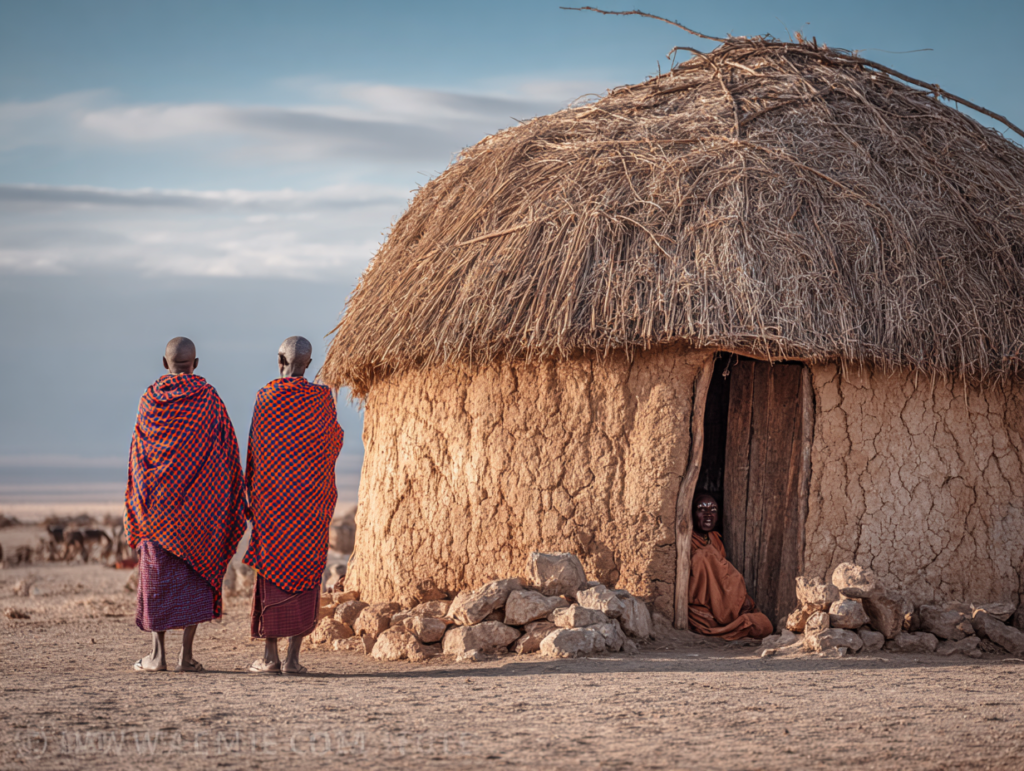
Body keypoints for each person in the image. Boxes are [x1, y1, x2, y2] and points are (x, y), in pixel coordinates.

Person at [125, 337, 248, 672]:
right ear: (196, 362)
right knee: (197, 576)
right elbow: (227, 451)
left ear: (165, 364)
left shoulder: (149, 400)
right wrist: (223, 497)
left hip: (157, 512)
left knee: (157, 580)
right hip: (200, 510)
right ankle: (186, 656)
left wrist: (140, 502)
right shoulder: (209, 400)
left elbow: (138, 457)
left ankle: (157, 656)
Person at [245, 336, 344, 675]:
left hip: (273, 505)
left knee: (272, 570)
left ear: (279, 360)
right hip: (309, 507)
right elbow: (333, 441)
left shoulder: (266, 397)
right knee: (307, 571)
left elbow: (256, 451)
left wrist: (255, 493)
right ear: (309, 364)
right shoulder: (321, 399)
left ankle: (270, 657)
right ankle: (293, 660)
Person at [688, 494, 773, 640]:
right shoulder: (688, 543)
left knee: (764, 625)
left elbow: (722, 577)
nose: (708, 514)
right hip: (701, 609)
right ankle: (727, 621)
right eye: (701, 509)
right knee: (703, 556)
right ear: (691, 513)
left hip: (726, 603)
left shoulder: (715, 539)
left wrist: (739, 599)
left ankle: (730, 617)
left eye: (713, 509)